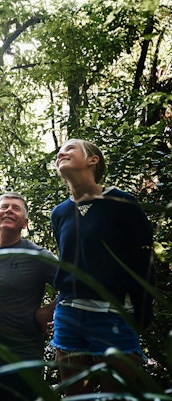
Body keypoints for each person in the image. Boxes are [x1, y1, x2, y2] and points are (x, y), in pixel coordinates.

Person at [50, 138, 155, 396]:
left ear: (92, 160)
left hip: (113, 315)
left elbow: (144, 261)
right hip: (68, 315)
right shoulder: (60, 213)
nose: (61, 153)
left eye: (70, 149)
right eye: (59, 152)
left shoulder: (123, 204)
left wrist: (141, 314)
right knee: (75, 396)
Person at [0, 192, 57, 401]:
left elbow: (74, 287)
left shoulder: (38, 256)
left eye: (16, 208)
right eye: (4, 206)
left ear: (25, 223)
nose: (8, 210)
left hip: (22, 361)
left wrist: (48, 311)